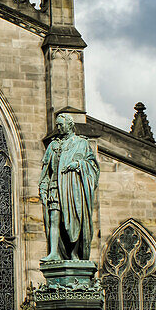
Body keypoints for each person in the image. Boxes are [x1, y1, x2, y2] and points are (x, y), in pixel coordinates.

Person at [39, 112, 100, 262]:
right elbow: (46, 170)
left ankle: (74, 254)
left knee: (74, 221)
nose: (58, 128)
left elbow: (93, 166)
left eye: (61, 124)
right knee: (54, 219)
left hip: (73, 190)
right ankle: (53, 252)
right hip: (55, 187)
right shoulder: (53, 145)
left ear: (70, 124)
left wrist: (78, 165)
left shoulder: (81, 143)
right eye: (57, 125)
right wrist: (43, 187)